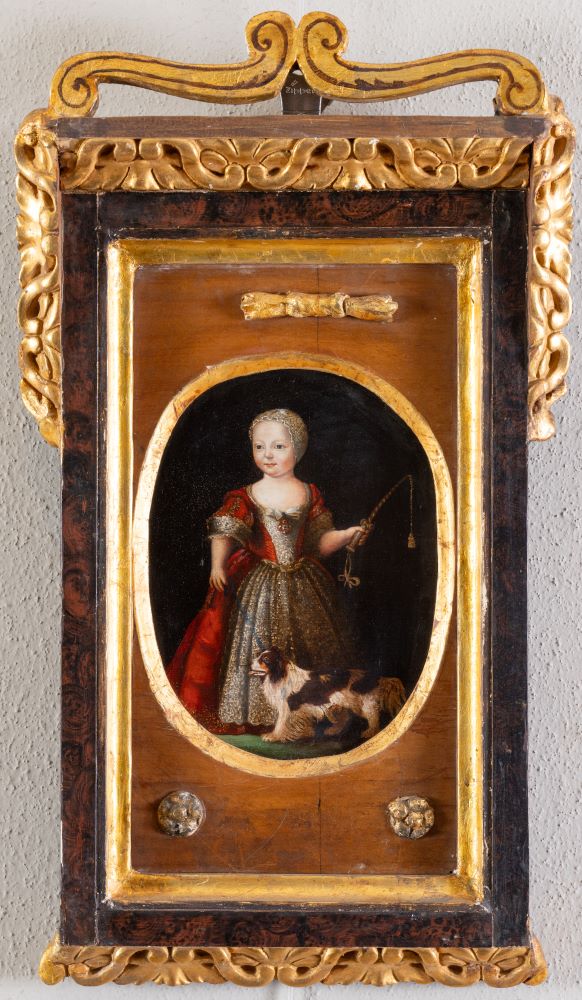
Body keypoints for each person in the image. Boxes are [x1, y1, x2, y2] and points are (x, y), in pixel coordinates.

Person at [166, 408, 366, 733]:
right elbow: (225, 531)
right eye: (260, 447)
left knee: (317, 648)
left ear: (298, 449)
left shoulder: (310, 494)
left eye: (278, 446)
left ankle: (313, 713)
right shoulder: (246, 496)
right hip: (261, 585)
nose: (267, 454)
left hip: (305, 583)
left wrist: (346, 535)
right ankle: (264, 717)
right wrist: (217, 564)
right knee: (254, 648)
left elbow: (319, 542)